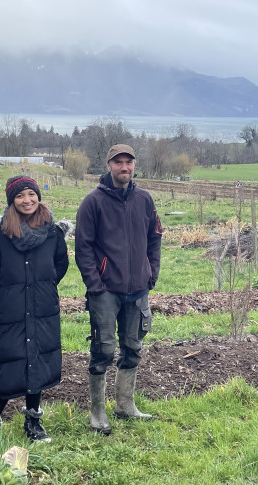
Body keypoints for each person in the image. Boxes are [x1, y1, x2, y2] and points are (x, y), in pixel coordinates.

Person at [75, 144, 163, 435]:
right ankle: (97, 411)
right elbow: (83, 248)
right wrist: (95, 285)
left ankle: (125, 404)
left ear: (134, 165)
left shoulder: (144, 200)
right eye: (118, 163)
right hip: (106, 291)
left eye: (128, 162)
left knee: (133, 347)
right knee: (103, 349)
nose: (124, 167)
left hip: (137, 289)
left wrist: (151, 274)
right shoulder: (93, 202)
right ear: (109, 165)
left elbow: (155, 239)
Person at [0, 176, 68, 445]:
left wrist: (40, 288)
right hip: (8, 315)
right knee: (6, 370)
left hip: (42, 311)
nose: (27, 200)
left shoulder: (53, 234)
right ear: (11, 201)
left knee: (37, 364)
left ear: (38, 196)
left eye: (31, 194)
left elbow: (58, 268)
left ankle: (33, 423)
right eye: (20, 196)